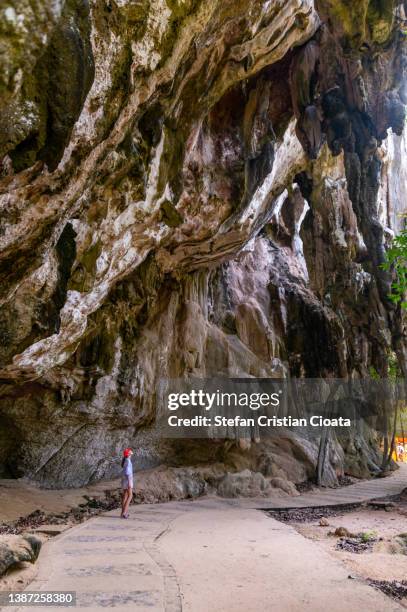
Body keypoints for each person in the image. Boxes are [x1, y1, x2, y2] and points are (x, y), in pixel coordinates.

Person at [121, 448, 134, 518]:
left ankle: (122, 513)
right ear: (128, 454)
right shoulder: (128, 461)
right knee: (130, 496)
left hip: (124, 480)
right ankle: (124, 513)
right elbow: (128, 473)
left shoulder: (125, 460)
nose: (131, 455)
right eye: (130, 454)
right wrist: (129, 482)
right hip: (128, 480)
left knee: (125, 496)